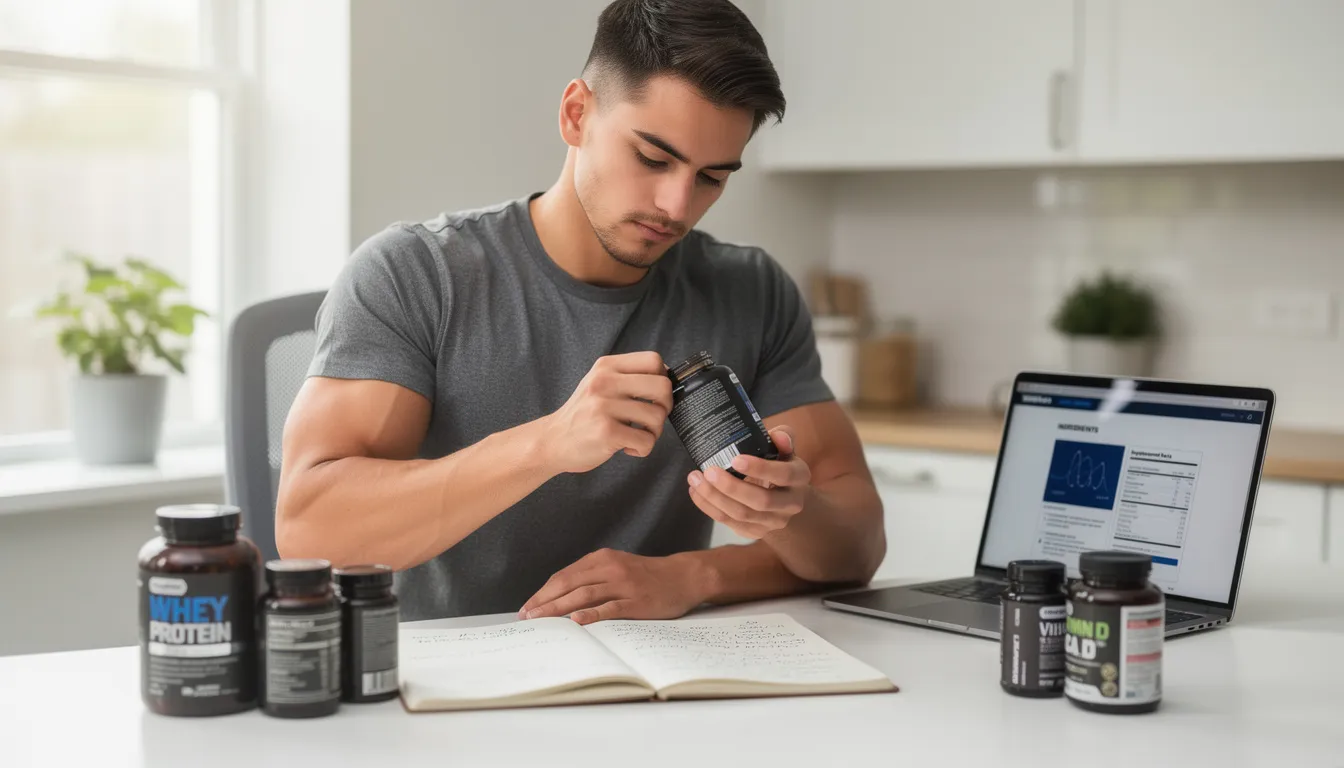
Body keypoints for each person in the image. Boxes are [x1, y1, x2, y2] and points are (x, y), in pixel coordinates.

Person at [277, 0, 885, 624]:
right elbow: (308, 529)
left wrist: (700, 570)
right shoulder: (414, 273)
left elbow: (857, 550)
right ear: (576, 114)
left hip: (654, 683)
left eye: (712, 177)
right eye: (653, 158)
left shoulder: (750, 289)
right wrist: (547, 443)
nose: (676, 205)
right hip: (443, 680)